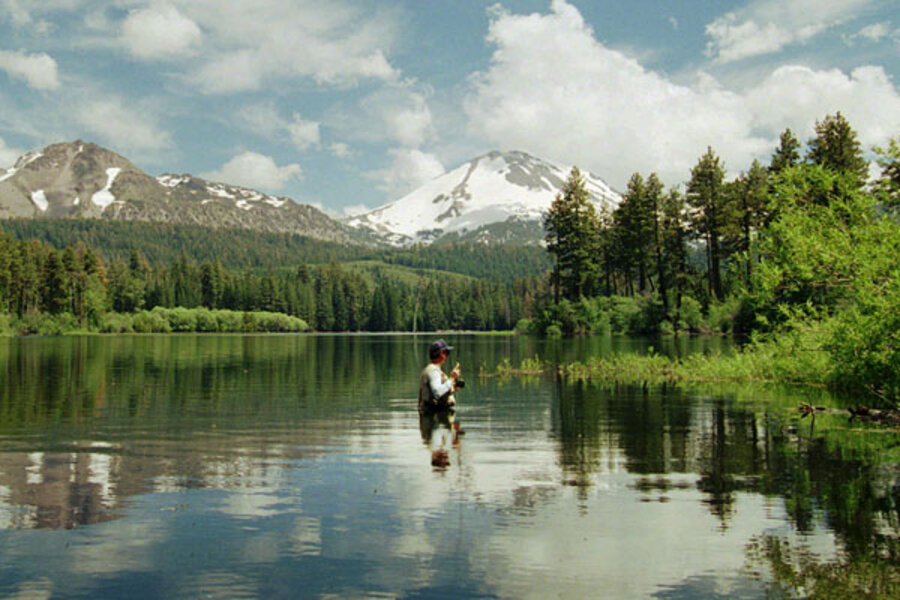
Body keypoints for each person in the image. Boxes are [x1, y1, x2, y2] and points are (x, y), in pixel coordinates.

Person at [418, 339, 461, 413]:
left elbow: (433, 391)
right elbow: (437, 393)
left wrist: (453, 388)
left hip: (431, 416)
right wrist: (452, 378)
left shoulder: (429, 369)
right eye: (447, 353)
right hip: (434, 417)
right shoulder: (434, 371)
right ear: (441, 353)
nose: (447, 356)